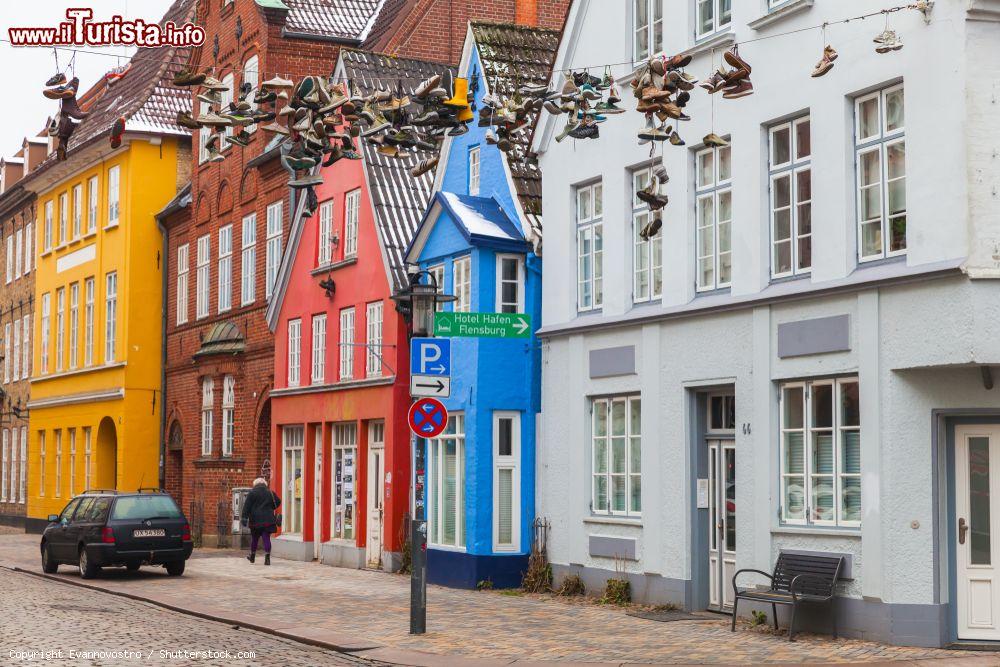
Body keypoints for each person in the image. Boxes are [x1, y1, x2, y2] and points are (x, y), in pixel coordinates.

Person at [240, 478, 281, 565]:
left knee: (255, 539)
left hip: (255, 520)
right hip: (268, 520)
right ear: (264, 484)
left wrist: (244, 518)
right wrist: (271, 507)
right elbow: (278, 501)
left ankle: (252, 557)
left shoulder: (252, 493)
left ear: (255, 484)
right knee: (266, 538)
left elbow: (246, 506)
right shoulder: (270, 492)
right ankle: (267, 558)